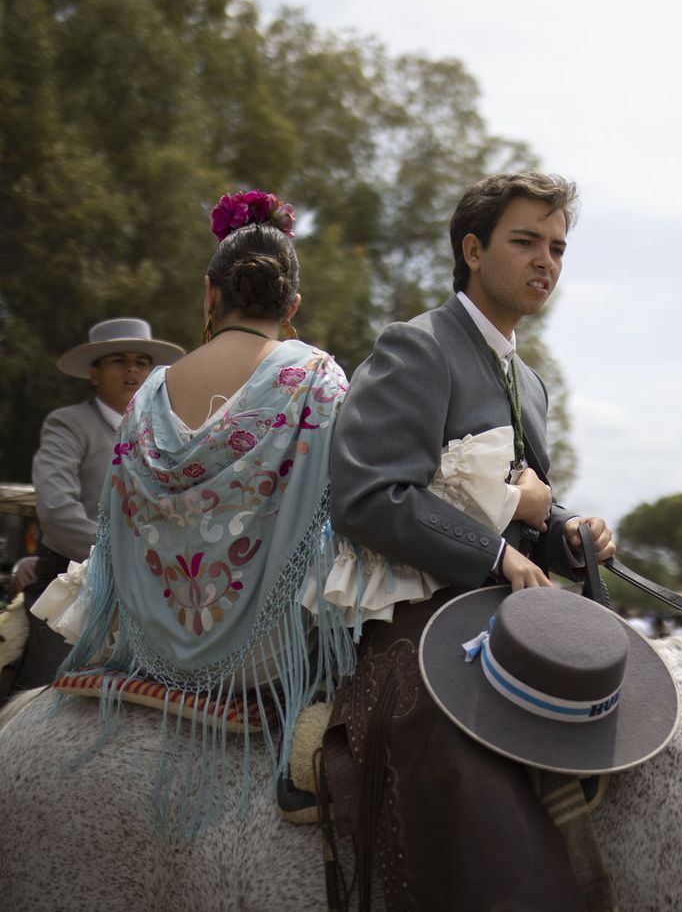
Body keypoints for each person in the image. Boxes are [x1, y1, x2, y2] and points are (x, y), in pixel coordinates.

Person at [329, 170, 616, 911]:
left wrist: (568, 532)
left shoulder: (534, 382)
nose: (545, 260)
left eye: (557, 246)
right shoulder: (416, 347)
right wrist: (497, 552)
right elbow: (367, 494)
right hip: (417, 621)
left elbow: (527, 515)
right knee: (467, 766)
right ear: (472, 249)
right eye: (525, 241)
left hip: (506, 618)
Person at [55, 191, 354, 827]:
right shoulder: (318, 377)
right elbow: (341, 512)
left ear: (210, 296)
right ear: (292, 306)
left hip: (149, 645)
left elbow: (115, 527)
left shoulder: (149, 393)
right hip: (269, 653)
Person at [12, 316, 183, 688]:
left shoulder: (169, 433)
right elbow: (57, 513)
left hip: (155, 584)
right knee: (43, 684)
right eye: (119, 361)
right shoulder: (68, 424)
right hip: (72, 583)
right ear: (94, 374)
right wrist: (126, 555)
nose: (133, 370)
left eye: (141, 361)